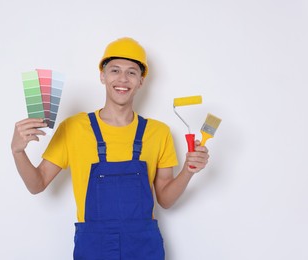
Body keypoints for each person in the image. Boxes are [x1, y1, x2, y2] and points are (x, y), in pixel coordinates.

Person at [11, 37, 209, 260]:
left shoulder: (158, 132)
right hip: (94, 246)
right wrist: (18, 151)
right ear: (102, 76)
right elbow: (37, 184)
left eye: (132, 72)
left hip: (144, 247)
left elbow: (165, 199)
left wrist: (188, 171)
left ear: (141, 81)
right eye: (114, 70)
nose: (122, 79)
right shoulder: (74, 128)